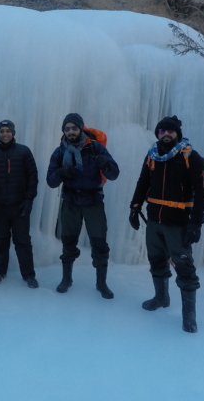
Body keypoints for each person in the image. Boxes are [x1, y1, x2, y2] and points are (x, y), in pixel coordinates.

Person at [129, 115, 204, 333]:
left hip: (178, 223)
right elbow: (143, 182)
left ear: (177, 134)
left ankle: (189, 316)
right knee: (156, 260)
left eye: (170, 131)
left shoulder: (191, 157)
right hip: (154, 220)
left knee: (184, 266)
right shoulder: (152, 156)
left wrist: (196, 223)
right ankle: (161, 297)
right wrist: (135, 207)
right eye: (162, 131)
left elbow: (203, 191)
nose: (166, 134)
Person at [46, 113, 119, 298]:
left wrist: (105, 164)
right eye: (67, 128)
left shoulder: (95, 148)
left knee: (99, 242)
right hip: (71, 201)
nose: (70, 131)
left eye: (74, 128)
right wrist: (61, 172)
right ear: (63, 131)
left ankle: (101, 283)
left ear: (81, 128)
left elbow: (114, 174)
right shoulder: (60, 152)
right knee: (68, 241)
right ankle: (66, 279)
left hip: (93, 201)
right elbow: (51, 181)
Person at [0, 120, 39, 288]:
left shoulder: (24, 151)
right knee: (0, 241)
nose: (5, 134)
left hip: (19, 206)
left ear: (13, 133)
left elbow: (33, 177)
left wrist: (28, 200)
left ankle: (29, 275)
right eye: (2, 131)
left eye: (8, 131)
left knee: (23, 241)